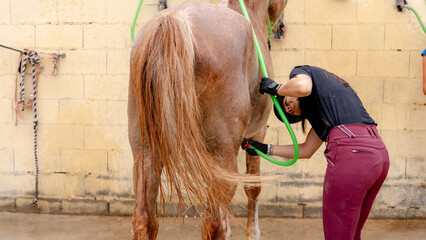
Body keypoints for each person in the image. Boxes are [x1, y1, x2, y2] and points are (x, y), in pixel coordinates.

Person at [241, 65, 390, 240]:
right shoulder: (327, 109)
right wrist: (263, 149)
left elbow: (303, 87)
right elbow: (305, 150)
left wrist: (276, 88)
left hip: (353, 157)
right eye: (290, 116)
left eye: (284, 104)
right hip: (379, 157)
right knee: (352, 235)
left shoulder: (304, 72)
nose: (288, 110)